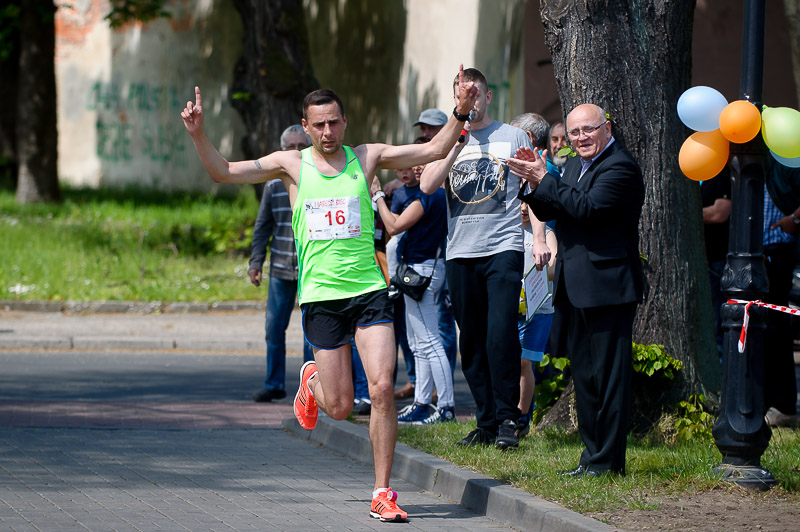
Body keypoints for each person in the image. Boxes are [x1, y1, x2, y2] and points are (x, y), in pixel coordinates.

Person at [180, 72, 478, 522]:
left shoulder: (368, 156)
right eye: (318, 125)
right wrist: (200, 134)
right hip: (321, 298)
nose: (327, 132)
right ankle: (312, 381)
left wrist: (460, 109)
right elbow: (223, 172)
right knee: (339, 408)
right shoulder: (292, 164)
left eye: (334, 123)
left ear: (344, 121)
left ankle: (382, 491)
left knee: (380, 389)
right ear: (306, 125)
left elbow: (435, 150)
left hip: (370, 292)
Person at [508, 103, 645, 477]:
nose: (581, 138)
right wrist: (533, 183)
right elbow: (557, 206)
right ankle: (590, 458)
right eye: (575, 133)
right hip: (574, 286)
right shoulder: (571, 166)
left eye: (589, 130)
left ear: (607, 128)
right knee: (584, 376)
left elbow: (587, 208)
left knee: (609, 377)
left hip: (609, 288)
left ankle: (608, 461)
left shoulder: (620, 167)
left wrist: (544, 178)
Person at [420, 67, 545, 450]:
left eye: (477, 95)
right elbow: (426, 186)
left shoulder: (512, 136)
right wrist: (454, 144)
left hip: (503, 248)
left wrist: (538, 238)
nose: (472, 101)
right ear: (458, 99)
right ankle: (486, 421)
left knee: (500, 334)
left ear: (488, 97)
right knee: (471, 339)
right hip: (460, 251)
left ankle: (509, 420)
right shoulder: (447, 139)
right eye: (464, 95)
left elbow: (534, 189)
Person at [373, 138, 455, 425]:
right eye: (415, 161)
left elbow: (394, 226)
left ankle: (445, 407)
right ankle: (422, 402)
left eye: (425, 161)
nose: (417, 167)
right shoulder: (431, 193)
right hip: (421, 269)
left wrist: (377, 198)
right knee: (419, 343)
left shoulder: (429, 196)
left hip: (423, 270)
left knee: (430, 342)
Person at [249, 125, 314, 402]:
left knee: (312, 333)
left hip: (311, 269)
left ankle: (312, 388)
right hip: (280, 269)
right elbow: (263, 227)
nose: (297, 152)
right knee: (274, 328)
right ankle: (274, 383)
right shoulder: (273, 184)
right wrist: (255, 262)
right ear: (282, 149)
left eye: (302, 146)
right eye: (291, 147)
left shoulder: (317, 180)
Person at [515, 202, 558, 439]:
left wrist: (532, 275)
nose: (523, 208)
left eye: (528, 203)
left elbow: (553, 268)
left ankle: (522, 418)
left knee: (524, 362)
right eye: (519, 202)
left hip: (538, 309)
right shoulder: (508, 228)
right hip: (511, 307)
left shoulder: (547, 233)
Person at [762, 180, 799, 427]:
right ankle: (770, 400)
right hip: (758, 251)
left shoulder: (786, 164)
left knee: (776, 329)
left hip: (778, 249)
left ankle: (784, 405)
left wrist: (793, 220)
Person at [700, 167, 731, 359]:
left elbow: (720, 213)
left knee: (717, 320)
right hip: (701, 258)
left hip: (717, 260)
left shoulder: (721, 172)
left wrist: (686, 213)